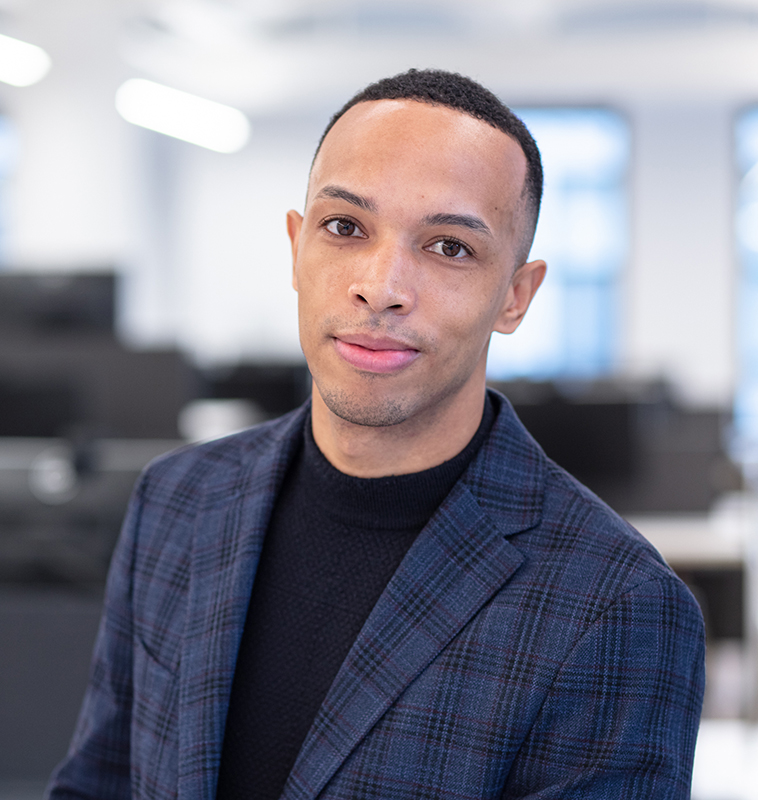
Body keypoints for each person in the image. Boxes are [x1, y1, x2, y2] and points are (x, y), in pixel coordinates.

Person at [47, 69, 705, 800]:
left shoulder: (617, 604)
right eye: (345, 227)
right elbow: (98, 783)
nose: (381, 285)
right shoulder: (177, 501)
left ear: (514, 297)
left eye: (450, 247)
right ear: (298, 249)